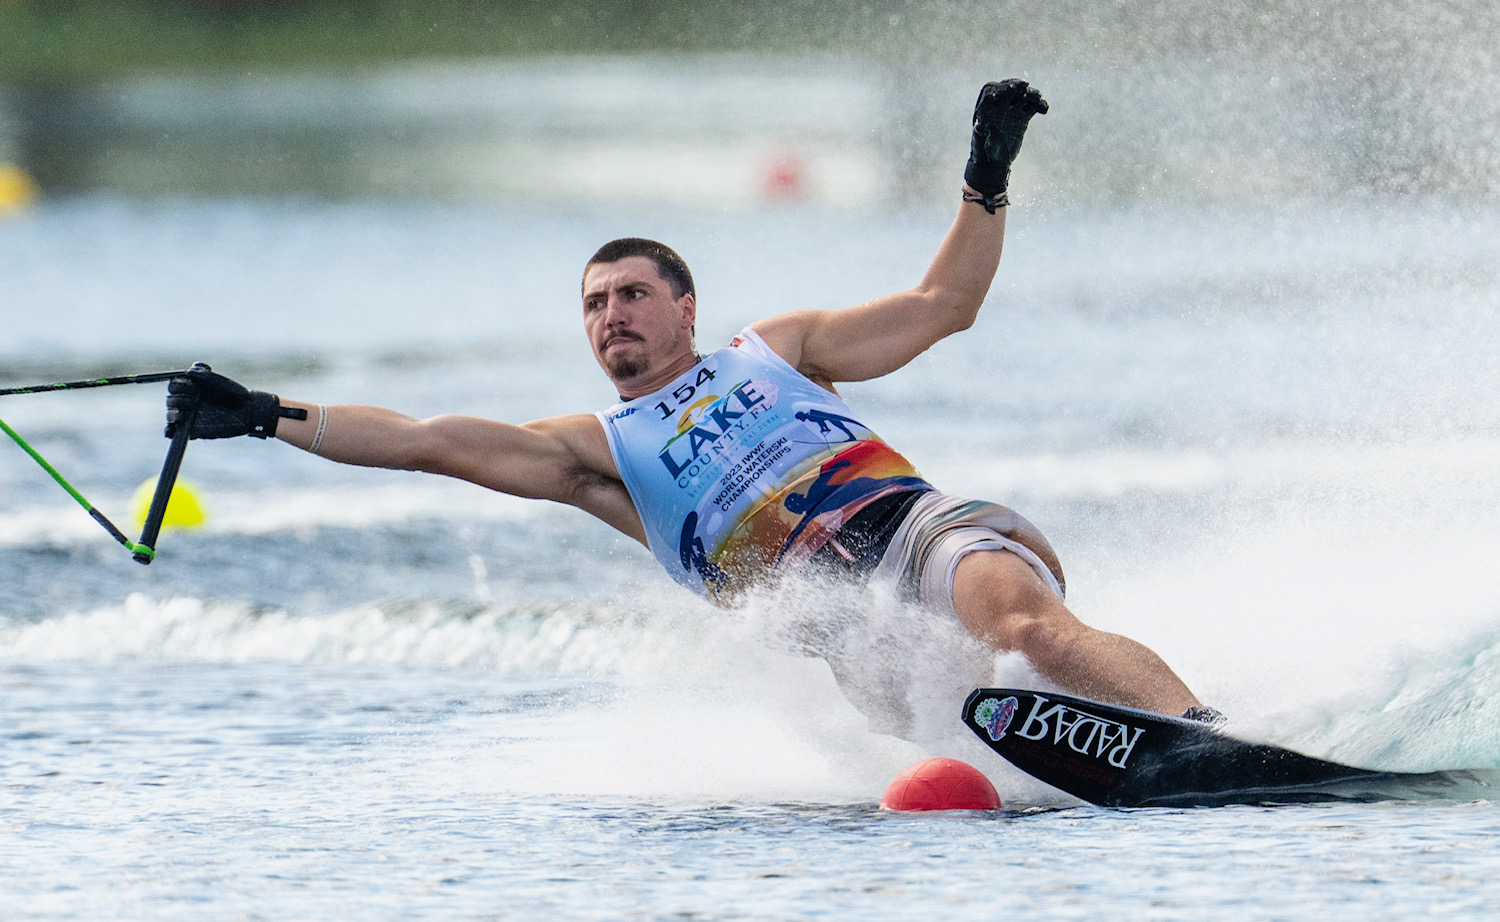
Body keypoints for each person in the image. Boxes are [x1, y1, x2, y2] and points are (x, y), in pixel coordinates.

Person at [167, 80, 1208, 724]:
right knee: (968, 693)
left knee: (1033, 633)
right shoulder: (598, 452)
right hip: (848, 634)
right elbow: (427, 441)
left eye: (631, 295)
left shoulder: (780, 348)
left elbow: (945, 305)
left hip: (916, 532)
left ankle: (1205, 733)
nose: (610, 315)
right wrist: (263, 410)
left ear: (684, 307)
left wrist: (986, 177)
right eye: (593, 305)